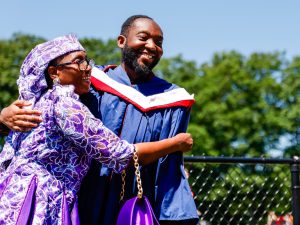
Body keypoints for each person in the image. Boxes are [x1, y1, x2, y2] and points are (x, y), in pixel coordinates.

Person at [0, 15, 199, 225]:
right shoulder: (87, 83)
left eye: (159, 43)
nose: (151, 46)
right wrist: (3, 118)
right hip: (80, 195)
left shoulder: (173, 99)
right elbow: (29, 116)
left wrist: (176, 207)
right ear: (121, 41)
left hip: (136, 198)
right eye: (143, 38)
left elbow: (170, 166)